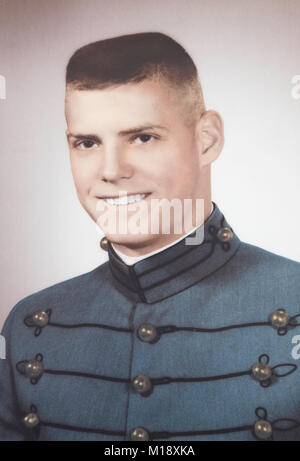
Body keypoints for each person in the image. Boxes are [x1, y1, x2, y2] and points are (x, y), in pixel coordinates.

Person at [0, 32, 299, 441]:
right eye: (87, 142)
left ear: (207, 139)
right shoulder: (26, 327)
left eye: (142, 137)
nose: (111, 170)